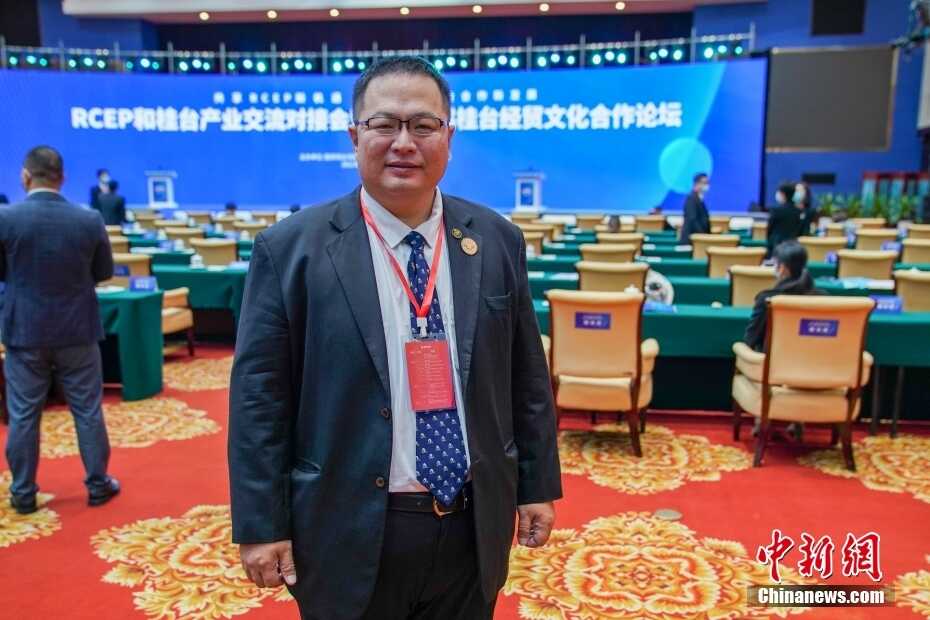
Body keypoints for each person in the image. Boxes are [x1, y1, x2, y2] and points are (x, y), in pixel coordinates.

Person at [228, 57, 561, 620]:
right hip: (345, 523)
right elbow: (260, 398)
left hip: (470, 522)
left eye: (423, 125)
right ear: (354, 136)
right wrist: (261, 523)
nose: (404, 142)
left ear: (449, 138)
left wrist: (536, 485)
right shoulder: (291, 250)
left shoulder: (497, 240)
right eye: (384, 124)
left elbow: (525, 375)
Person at [0, 146, 120, 515]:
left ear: (25, 176)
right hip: (77, 329)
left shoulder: (6, 218)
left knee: (23, 415)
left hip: (24, 331)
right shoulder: (88, 219)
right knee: (87, 410)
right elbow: (103, 272)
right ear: (62, 177)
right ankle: (98, 484)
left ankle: (23, 492)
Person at [744, 240, 819, 351]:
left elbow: (750, 340)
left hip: (773, 361)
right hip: (813, 359)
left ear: (782, 268)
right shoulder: (822, 298)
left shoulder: (767, 299)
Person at [766, 183, 802, 258]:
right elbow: (800, 231)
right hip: (794, 248)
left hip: (777, 248)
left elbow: (769, 230)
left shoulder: (776, 211)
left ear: (782, 194)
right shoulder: (798, 212)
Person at [679, 172, 710, 242]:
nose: (707, 185)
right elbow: (693, 220)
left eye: (708, 183)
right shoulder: (691, 199)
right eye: (705, 183)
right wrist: (704, 236)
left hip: (699, 239)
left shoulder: (699, 199)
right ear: (697, 184)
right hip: (691, 241)